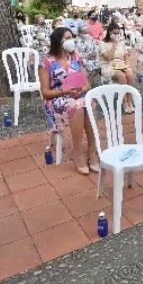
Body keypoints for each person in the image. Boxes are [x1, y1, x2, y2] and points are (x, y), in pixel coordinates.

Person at [38, 27, 97, 175]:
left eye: (72, 37)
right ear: (58, 41)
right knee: (76, 106)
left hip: (77, 95)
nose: (71, 40)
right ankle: (78, 154)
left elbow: (86, 83)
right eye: (67, 38)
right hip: (56, 98)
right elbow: (45, 93)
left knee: (90, 103)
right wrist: (65, 91)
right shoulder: (46, 62)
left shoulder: (75, 58)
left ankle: (92, 150)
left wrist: (80, 90)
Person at [100, 23, 137, 113]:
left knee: (130, 74)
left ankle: (130, 100)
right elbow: (108, 58)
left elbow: (126, 57)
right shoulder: (103, 44)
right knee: (121, 76)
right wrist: (114, 45)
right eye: (114, 33)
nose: (117, 35)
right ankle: (124, 102)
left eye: (118, 33)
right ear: (109, 33)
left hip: (121, 65)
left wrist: (127, 66)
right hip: (109, 66)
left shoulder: (122, 43)